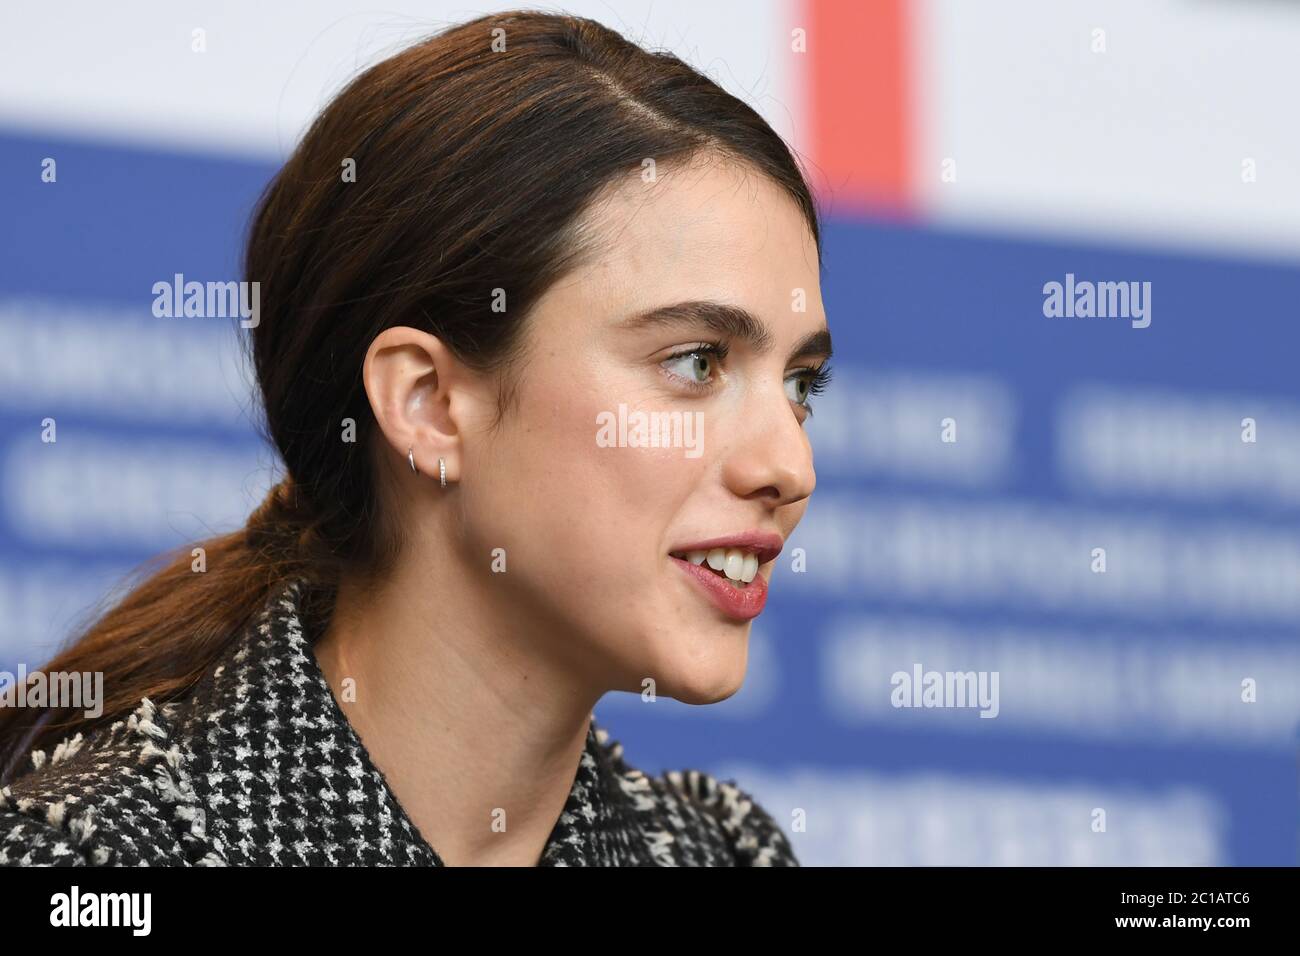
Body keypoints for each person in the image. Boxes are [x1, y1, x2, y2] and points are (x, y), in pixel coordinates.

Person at [0, 9, 832, 867]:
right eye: (696, 361)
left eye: (802, 385)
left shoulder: (724, 852)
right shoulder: (87, 861)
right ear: (428, 404)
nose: (789, 465)